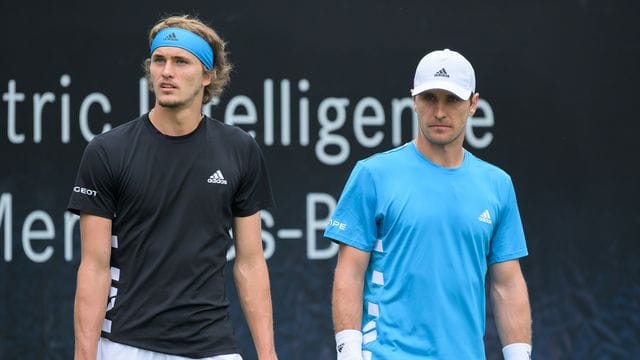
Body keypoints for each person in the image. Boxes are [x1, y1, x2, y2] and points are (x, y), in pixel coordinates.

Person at [68, 15, 278, 360]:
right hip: (125, 344)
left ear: (208, 76)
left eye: (181, 61)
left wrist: (268, 354)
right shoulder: (107, 151)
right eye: (159, 60)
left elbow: (251, 263)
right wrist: (84, 354)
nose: (166, 71)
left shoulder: (239, 150)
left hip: (212, 346)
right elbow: (94, 267)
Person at [325, 49, 532, 360]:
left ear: (473, 104)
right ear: (413, 100)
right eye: (429, 98)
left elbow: (507, 284)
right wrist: (348, 354)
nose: (439, 111)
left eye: (452, 100)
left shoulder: (497, 184)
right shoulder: (373, 175)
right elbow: (349, 273)